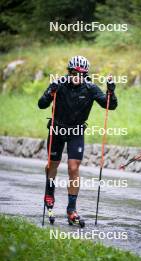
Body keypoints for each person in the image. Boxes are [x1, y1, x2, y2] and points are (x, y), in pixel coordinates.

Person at [38, 55, 118, 225]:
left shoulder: (90, 88)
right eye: (74, 73)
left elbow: (109, 105)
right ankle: (49, 193)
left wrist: (111, 91)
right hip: (57, 129)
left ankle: (71, 209)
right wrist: (49, 92)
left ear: (85, 74)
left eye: (81, 74)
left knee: (73, 168)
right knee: (53, 164)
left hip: (76, 131)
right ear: (69, 72)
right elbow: (41, 105)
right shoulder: (58, 84)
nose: (77, 76)